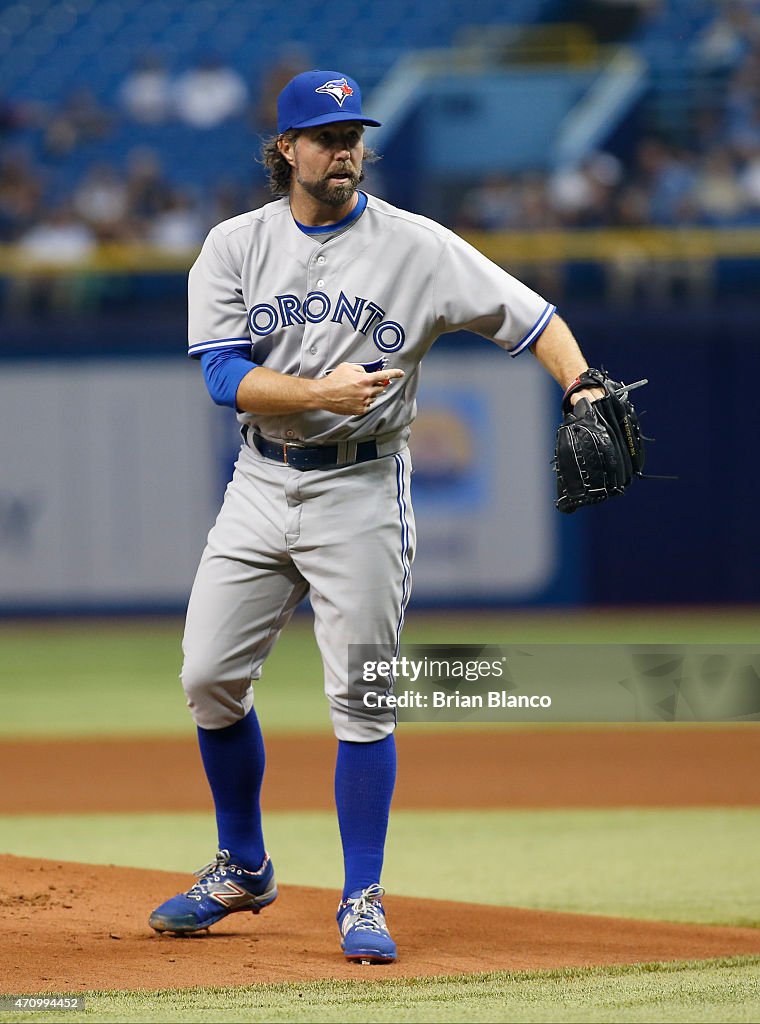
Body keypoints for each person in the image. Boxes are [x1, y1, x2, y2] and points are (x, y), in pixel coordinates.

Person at [148, 69, 603, 963]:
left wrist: (580, 379)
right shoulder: (234, 246)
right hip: (261, 478)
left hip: (361, 490)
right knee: (206, 677)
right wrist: (320, 390)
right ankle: (242, 863)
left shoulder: (419, 246)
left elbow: (535, 316)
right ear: (287, 149)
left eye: (354, 132)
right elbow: (219, 377)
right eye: (325, 135)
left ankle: (361, 896)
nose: (344, 147)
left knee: (363, 697)